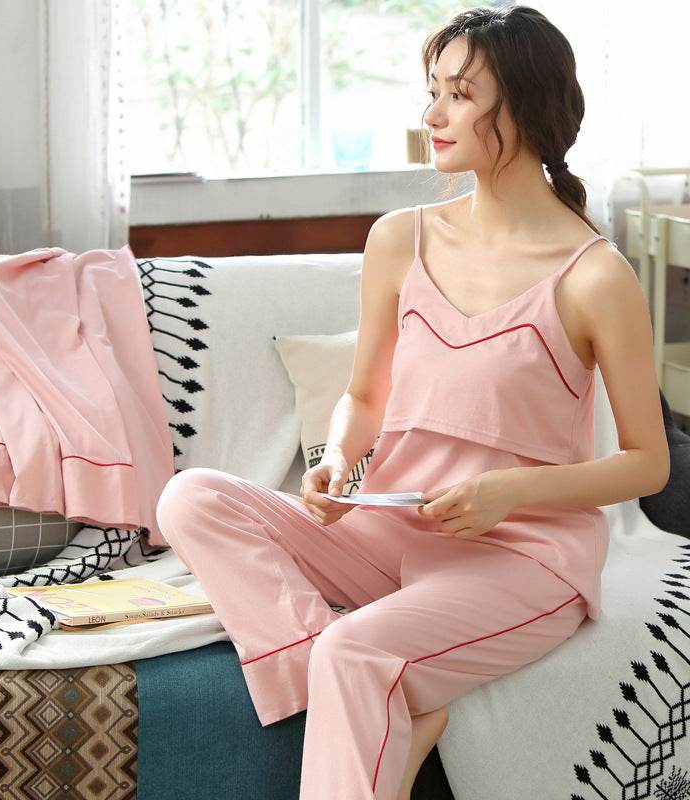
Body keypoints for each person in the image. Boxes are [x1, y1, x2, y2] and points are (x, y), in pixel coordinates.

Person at [155, 6, 670, 799]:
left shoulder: (595, 276)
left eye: (459, 96)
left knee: (354, 653)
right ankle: (360, 696)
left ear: (526, 109)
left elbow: (647, 462)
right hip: (388, 529)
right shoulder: (400, 238)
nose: (432, 115)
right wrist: (336, 460)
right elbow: (364, 395)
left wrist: (511, 491)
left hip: (521, 560)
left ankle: (364, 686)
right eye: (433, 91)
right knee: (191, 497)